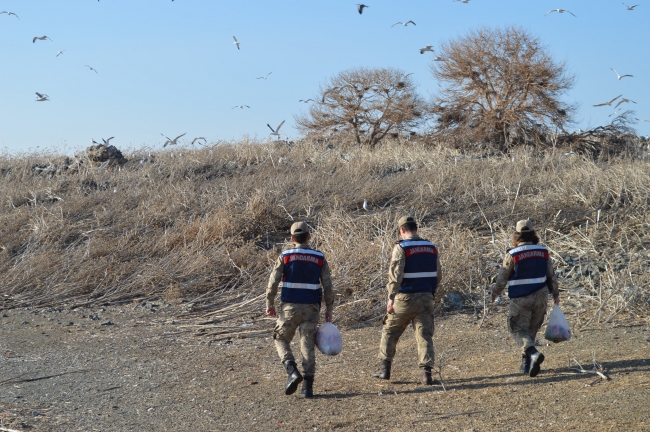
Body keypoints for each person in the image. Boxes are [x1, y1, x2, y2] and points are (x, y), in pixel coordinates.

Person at [266, 221, 334, 398]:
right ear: (309, 237)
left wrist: (269, 303)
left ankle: (292, 371)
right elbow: (327, 285)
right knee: (307, 346)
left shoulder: (285, 256)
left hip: (289, 308)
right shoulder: (319, 257)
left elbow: (273, 281)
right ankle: (308, 389)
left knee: (280, 339)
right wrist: (329, 308)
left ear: (291, 238)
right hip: (311, 308)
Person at [371, 216, 441, 385]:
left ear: (402, 230)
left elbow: (395, 276)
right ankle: (426, 374)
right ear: (416, 228)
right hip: (426, 297)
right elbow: (438, 275)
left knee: (390, 330)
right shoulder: (431, 247)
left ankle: (384, 369)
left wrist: (390, 298)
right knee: (424, 334)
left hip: (405, 298)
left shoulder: (401, 247)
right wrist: (430, 292)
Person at [491, 219, 560, 377]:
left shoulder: (513, 254)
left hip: (521, 297)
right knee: (531, 329)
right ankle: (526, 364)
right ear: (533, 234)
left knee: (516, 327)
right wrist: (555, 294)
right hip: (541, 296)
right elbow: (551, 276)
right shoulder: (543, 252)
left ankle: (533, 353)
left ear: (517, 235)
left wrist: (495, 292)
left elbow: (503, 277)